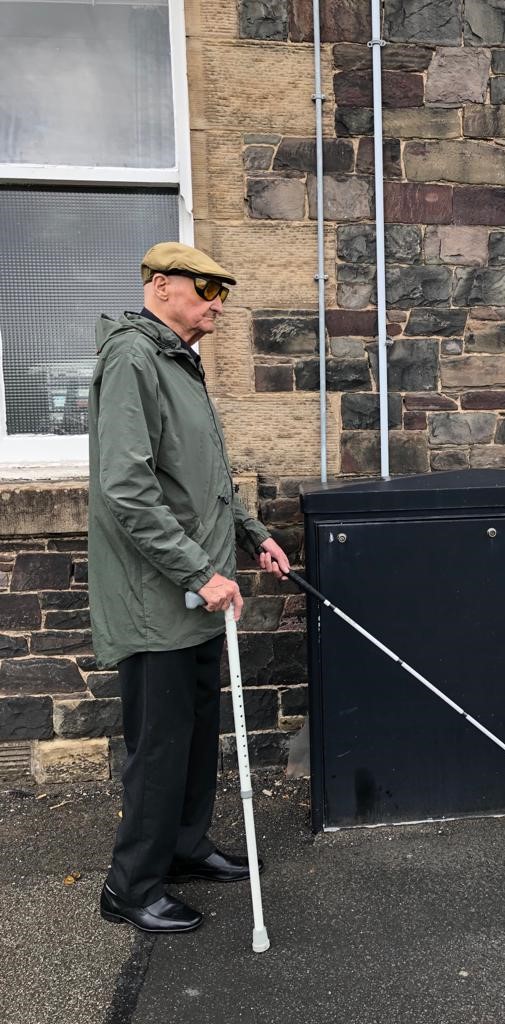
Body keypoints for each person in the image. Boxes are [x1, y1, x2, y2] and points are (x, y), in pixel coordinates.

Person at [88, 242, 290, 934]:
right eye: (207, 288)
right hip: (158, 600)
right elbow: (127, 486)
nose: (218, 303)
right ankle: (130, 888)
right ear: (162, 284)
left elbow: (203, 479)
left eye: (223, 291)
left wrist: (252, 533)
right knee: (162, 743)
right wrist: (197, 572)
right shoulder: (133, 358)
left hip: (201, 593)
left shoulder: (180, 361)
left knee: (197, 736)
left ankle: (183, 848)